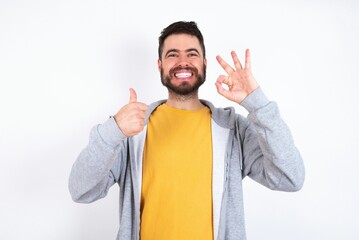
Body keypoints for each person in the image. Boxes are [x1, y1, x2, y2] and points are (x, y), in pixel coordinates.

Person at [69, 21, 305, 240]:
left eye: (192, 54)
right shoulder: (132, 130)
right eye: (172, 55)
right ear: (160, 65)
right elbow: (81, 190)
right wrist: (113, 131)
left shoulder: (234, 128)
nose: (183, 62)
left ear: (204, 63)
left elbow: (290, 177)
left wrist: (257, 104)